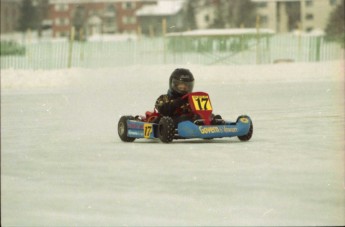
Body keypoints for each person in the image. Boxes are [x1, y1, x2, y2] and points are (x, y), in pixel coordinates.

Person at [154, 68, 224, 125]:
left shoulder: (192, 98)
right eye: (181, 84)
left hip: (193, 119)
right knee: (184, 118)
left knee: (211, 117)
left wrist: (209, 115)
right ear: (173, 84)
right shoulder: (164, 98)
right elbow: (163, 111)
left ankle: (212, 123)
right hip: (172, 122)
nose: (184, 87)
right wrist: (176, 103)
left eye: (186, 85)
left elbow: (202, 111)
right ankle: (200, 124)